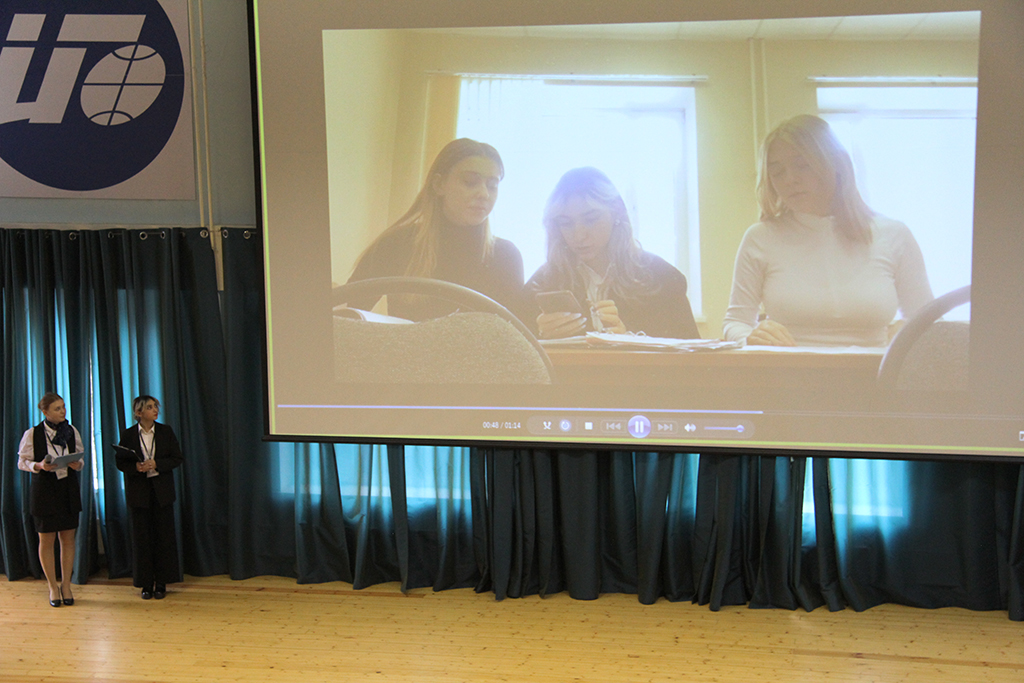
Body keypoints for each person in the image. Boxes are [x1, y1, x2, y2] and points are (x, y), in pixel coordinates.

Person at [723, 114, 933, 347]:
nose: (790, 179)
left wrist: (909, 330)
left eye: (803, 165)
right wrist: (750, 337)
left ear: (837, 165)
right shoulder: (761, 238)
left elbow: (929, 322)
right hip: (788, 367)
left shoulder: (893, 234)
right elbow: (735, 322)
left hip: (875, 367)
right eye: (778, 172)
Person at [345, 138, 524, 320]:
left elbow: (514, 333)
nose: (484, 194)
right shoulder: (396, 244)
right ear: (439, 184)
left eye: (492, 186)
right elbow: (348, 315)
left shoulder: (506, 256)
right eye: (470, 182)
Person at [524, 166, 700, 340]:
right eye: (566, 223)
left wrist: (630, 340)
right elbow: (517, 352)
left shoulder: (663, 278)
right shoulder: (541, 284)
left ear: (616, 212)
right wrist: (538, 338)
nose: (579, 235)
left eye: (591, 219)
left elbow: (691, 353)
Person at [17, 392, 85, 607]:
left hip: (67, 489)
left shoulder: (71, 431)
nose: (63, 411)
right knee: (46, 540)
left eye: (63, 407)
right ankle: (52, 587)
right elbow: (22, 462)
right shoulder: (33, 433)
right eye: (57, 408)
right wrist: (39, 465)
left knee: (68, 538)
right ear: (45, 412)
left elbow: (81, 458)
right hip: (44, 491)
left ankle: (66, 585)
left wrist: (77, 464)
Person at [115, 396, 183, 600]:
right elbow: (120, 462)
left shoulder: (165, 431)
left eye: (156, 407)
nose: (155, 410)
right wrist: (136, 467)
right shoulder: (128, 435)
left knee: (164, 538)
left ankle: (162, 582)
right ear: (139, 413)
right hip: (139, 493)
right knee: (141, 539)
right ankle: (145, 583)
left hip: (162, 492)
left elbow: (177, 458)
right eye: (150, 407)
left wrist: (157, 464)